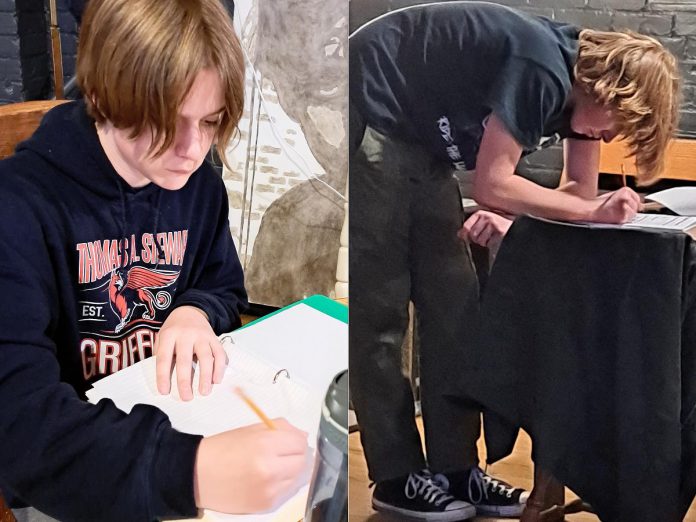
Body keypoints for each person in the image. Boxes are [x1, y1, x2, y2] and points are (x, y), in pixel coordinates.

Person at [349, 2, 680, 520]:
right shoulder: (543, 67)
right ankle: (395, 476)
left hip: (426, 148)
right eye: (618, 123)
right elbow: (493, 184)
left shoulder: (579, 101)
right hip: (375, 110)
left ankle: (456, 469)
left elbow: (576, 194)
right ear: (607, 90)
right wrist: (586, 210)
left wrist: (571, 214)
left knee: (456, 307)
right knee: (381, 309)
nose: (612, 137)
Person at [0, 1, 308, 521]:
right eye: (165, 121)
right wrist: (191, 471)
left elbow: (223, 287)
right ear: (101, 94)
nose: (191, 149)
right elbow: (19, 422)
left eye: (210, 122)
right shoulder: (19, 208)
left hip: (184, 418)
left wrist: (193, 311)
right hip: (71, 469)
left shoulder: (200, 190)